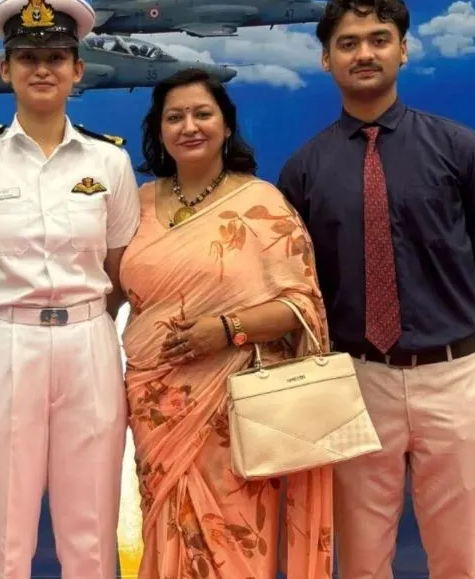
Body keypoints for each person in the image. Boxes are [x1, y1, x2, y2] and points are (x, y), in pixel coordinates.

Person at [277, 0, 475, 579]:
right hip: (354, 382)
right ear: (326, 59)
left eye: (380, 40)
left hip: (450, 379)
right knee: (358, 560)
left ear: (404, 49)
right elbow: (303, 279)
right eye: (347, 43)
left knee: (461, 557)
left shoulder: (461, 149)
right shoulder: (304, 169)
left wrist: (435, 315)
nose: (364, 53)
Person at [0, 0, 141, 579]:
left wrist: (82, 319)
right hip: (6, 344)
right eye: (27, 57)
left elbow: (119, 268)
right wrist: (4, 327)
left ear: (78, 70)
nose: (42, 68)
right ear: (5, 70)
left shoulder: (110, 164)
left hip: (89, 343)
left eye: (56, 57)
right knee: (2, 526)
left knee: (92, 527)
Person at [118, 67, 333, 579]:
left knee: (232, 538)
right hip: (155, 403)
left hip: (232, 405)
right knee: (165, 526)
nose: (189, 126)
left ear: (226, 125)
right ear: (159, 130)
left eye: (202, 113)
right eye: (175, 117)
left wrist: (227, 327)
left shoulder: (260, 203)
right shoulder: (137, 204)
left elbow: (303, 304)